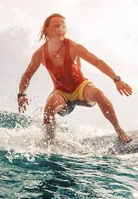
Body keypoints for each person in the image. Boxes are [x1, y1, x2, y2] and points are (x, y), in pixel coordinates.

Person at [17, 13, 132, 143]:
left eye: (63, 26)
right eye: (56, 26)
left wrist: (116, 79)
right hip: (61, 92)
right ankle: (50, 142)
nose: (61, 29)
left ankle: (119, 130)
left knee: (98, 93)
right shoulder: (40, 54)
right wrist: (21, 94)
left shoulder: (73, 47)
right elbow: (27, 75)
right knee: (49, 109)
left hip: (81, 87)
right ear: (46, 30)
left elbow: (98, 62)